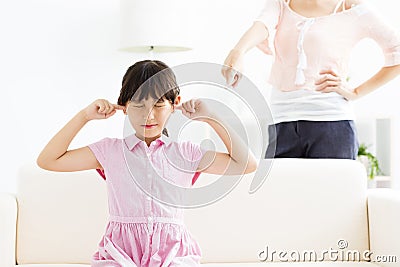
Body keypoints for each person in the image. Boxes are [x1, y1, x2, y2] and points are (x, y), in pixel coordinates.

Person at [37, 60, 257, 266]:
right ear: (124, 106)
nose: (148, 116)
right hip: (120, 254)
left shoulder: (185, 154)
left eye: (159, 104)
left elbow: (246, 164)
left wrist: (211, 117)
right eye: (139, 105)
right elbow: (49, 160)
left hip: (174, 255)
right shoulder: (110, 152)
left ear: (175, 104)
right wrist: (84, 116)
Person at [221, 0, 400, 159]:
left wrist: (355, 92)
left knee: (333, 196)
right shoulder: (281, 4)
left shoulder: (351, 7)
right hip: (282, 123)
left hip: (331, 125)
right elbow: (262, 25)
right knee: (279, 195)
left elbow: (396, 51)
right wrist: (239, 51)